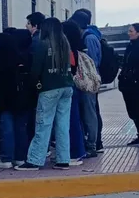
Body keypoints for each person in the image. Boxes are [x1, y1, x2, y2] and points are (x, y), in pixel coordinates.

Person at [17, 18, 77, 170]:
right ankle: (63, 159)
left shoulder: (43, 45)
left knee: (43, 124)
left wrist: (32, 84)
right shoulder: (65, 44)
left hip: (49, 88)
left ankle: (35, 160)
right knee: (63, 125)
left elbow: (36, 69)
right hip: (67, 87)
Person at [0, 29, 34, 168]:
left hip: (5, 100)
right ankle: (20, 158)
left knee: (7, 128)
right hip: (23, 98)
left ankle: (6, 158)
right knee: (21, 128)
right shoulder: (23, 57)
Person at [69, 10, 101, 157]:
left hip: (87, 81)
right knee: (85, 113)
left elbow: (92, 63)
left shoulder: (89, 38)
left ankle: (92, 144)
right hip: (82, 80)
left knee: (89, 113)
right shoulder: (84, 37)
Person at [63, 22, 88, 162]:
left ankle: (76, 152)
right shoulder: (78, 48)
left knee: (72, 120)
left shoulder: (69, 49)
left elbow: (70, 67)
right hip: (75, 86)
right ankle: (78, 150)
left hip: (70, 86)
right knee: (75, 119)